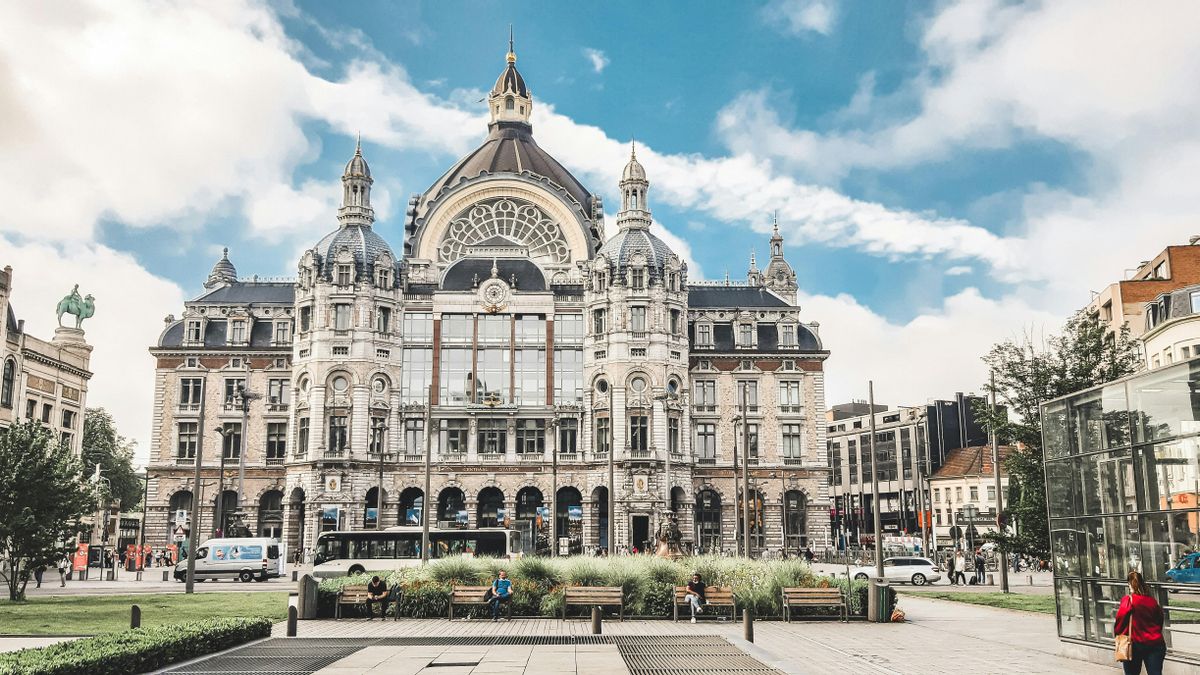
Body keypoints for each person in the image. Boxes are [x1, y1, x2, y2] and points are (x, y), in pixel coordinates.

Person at [1114, 570, 1166, 675]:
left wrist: (1118, 634)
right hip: (1156, 643)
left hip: (1134, 644)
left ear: (1130, 584)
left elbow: (1120, 620)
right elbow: (1160, 620)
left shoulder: (1128, 600)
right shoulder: (1152, 601)